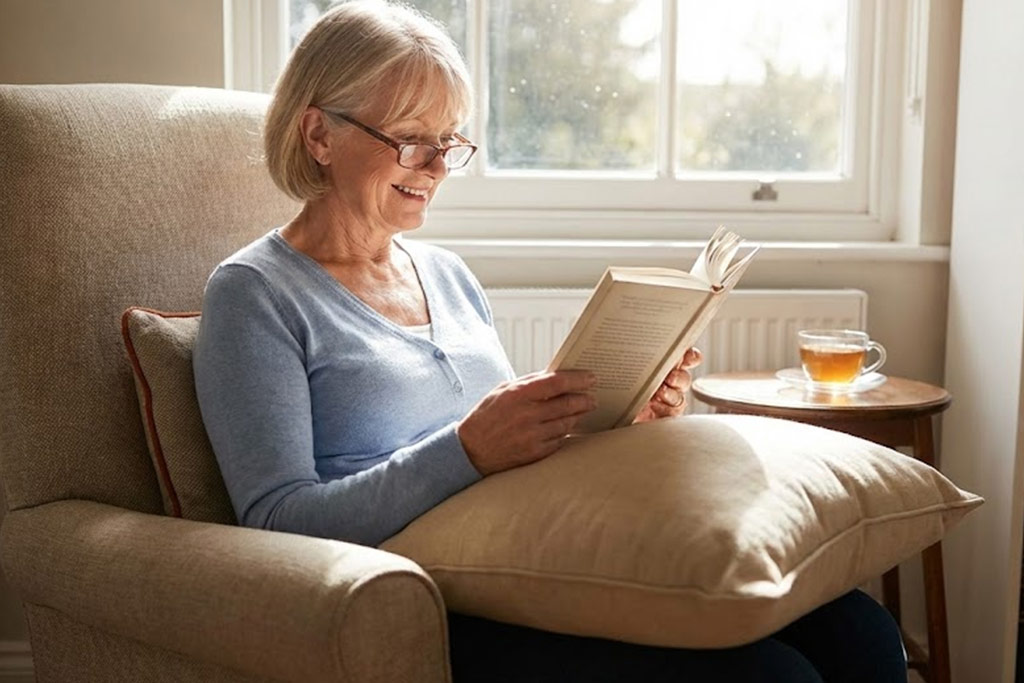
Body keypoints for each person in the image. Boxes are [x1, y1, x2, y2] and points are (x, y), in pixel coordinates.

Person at [193, 2, 906, 681]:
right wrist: (465, 449)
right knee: (766, 677)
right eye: (412, 139)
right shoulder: (254, 294)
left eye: (450, 142)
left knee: (859, 630)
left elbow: (514, 462)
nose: (438, 167)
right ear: (319, 135)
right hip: (435, 601)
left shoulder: (447, 275)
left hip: (535, 564)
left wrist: (624, 415)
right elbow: (276, 519)